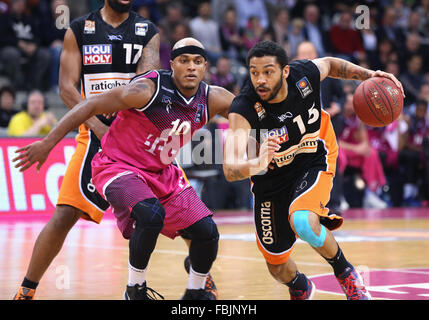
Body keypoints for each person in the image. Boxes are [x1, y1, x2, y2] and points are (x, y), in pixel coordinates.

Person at [14, 38, 234, 300]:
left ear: (205, 67)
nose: (190, 67)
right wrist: (49, 142)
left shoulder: (213, 97)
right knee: (149, 215)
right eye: (184, 61)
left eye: (197, 62)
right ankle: (134, 290)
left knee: (207, 232)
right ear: (172, 64)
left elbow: (252, 114)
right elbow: (89, 105)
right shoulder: (146, 90)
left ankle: (195, 294)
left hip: (161, 172)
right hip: (118, 166)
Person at [223, 41, 404, 300]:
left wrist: (367, 74)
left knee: (302, 221)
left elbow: (330, 64)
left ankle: (346, 274)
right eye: (254, 72)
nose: (260, 80)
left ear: (285, 71)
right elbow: (229, 169)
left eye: (268, 72)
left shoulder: (303, 75)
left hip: (314, 156)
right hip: (270, 181)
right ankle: (300, 286)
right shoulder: (244, 108)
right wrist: (258, 162)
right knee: (276, 266)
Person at [12, 0, 160, 300]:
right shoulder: (79, 30)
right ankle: (26, 290)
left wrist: (123, 125)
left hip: (134, 136)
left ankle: (199, 279)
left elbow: (149, 85)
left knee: (178, 207)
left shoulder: (147, 30)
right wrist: (98, 126)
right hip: (93, 135)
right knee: (65, 214)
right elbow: (66, 88)